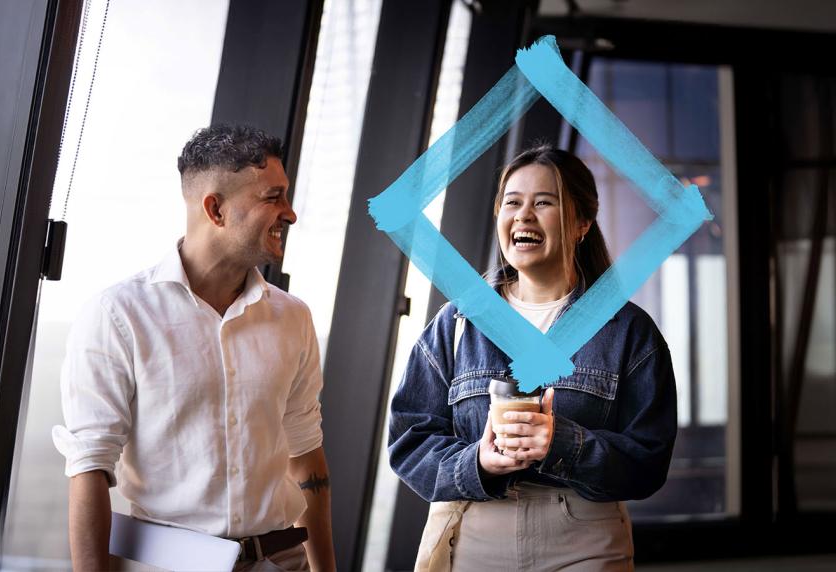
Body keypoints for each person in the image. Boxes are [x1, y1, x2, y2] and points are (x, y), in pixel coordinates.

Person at [53, 124, 335, 572]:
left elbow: (307, 458)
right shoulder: (118, 316)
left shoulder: (293, 318)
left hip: (282, 562)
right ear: (215, 209)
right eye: (272, 197)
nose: (290, 213)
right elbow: (89, 469)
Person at [389, 145, 677, 571]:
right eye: (512, 202)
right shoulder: (457, 323)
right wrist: (479, 462)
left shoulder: (628, 331)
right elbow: (409, 441)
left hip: (586, 540)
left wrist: (563, 443)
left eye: (544, 202)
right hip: (475, 535)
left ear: (582, 223)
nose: (524, 215)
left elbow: (648, 462)